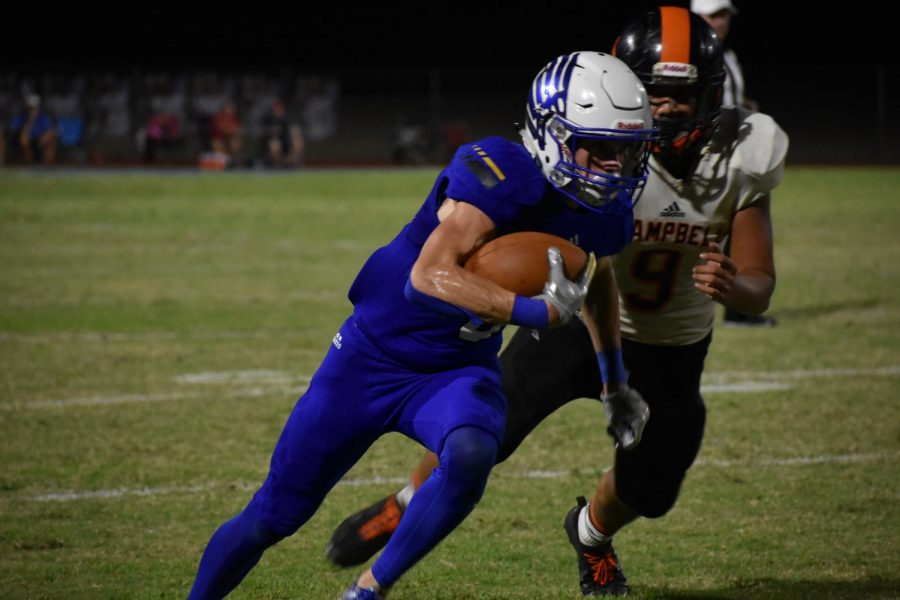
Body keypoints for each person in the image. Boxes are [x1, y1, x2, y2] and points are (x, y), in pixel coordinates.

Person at [325, 6, 788, 597]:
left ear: (712, 93)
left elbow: (760, 279)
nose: (668, 108)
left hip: (673, 347)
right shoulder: (602, 148)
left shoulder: (742, 157)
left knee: (653, 489)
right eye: (656, 93)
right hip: (571, 321)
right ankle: (408, 500)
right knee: (485, 432)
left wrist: (737, 288)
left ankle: (591, 534)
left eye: (684, 94)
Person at [187, 51, 658, 600]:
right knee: (273, 516)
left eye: (625, 153)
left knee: (472, 452)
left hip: (456, 367)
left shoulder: (604, 213)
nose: (614, 168)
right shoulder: (501, 174)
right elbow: (428, 276)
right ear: (551, 134)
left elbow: (595, 277)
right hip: (371, 357)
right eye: (599, 149)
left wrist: (614, 382)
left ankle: (367, 590)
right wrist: (534, 312)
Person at [692, 0, 775, 327]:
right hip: (709, 159)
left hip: (733, 157)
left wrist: (744, 108)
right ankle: (734, 309)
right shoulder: (695, 56)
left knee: (735, 233)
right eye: (712, 16)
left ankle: (737, 306)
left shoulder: (726, 56)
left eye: (723, 15)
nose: (719, 22)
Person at [10, 94, 58, 165]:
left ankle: (47, 164)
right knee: (23, 139)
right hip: (29, 139)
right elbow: (19, 130)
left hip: (40, 140)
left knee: (51, 137)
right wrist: (31, 120)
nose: (32, 110)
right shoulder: (23, 117)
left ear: (38, 107)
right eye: (31, 108)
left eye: (34, 108)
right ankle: (30, 163)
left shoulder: (43, 117)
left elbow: (49, 130)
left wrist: (42, 140)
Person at [260, 98, 304, 168]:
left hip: (289, 146)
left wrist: (294, 153)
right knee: (274, 144)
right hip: (275, 149)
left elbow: (297, 137)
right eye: (275, 109)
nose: (277, 111)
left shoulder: (290, 118)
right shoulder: (269, 119)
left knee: (296, 142)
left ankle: (292, 164)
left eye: (278, 108)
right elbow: (267, 135)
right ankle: (278, 165)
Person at [208, 100, 243, 166]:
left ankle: (233, 162)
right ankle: (224, 162)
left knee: (235, 142)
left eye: (230, 108)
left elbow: (237, 130)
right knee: (216, 144)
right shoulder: (218, 117)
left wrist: (231, 132)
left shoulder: (235, 119)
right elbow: (221, 129)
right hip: (219, 138)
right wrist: (229, 130)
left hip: (229, 138)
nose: (228, 110)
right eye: (227, 108)